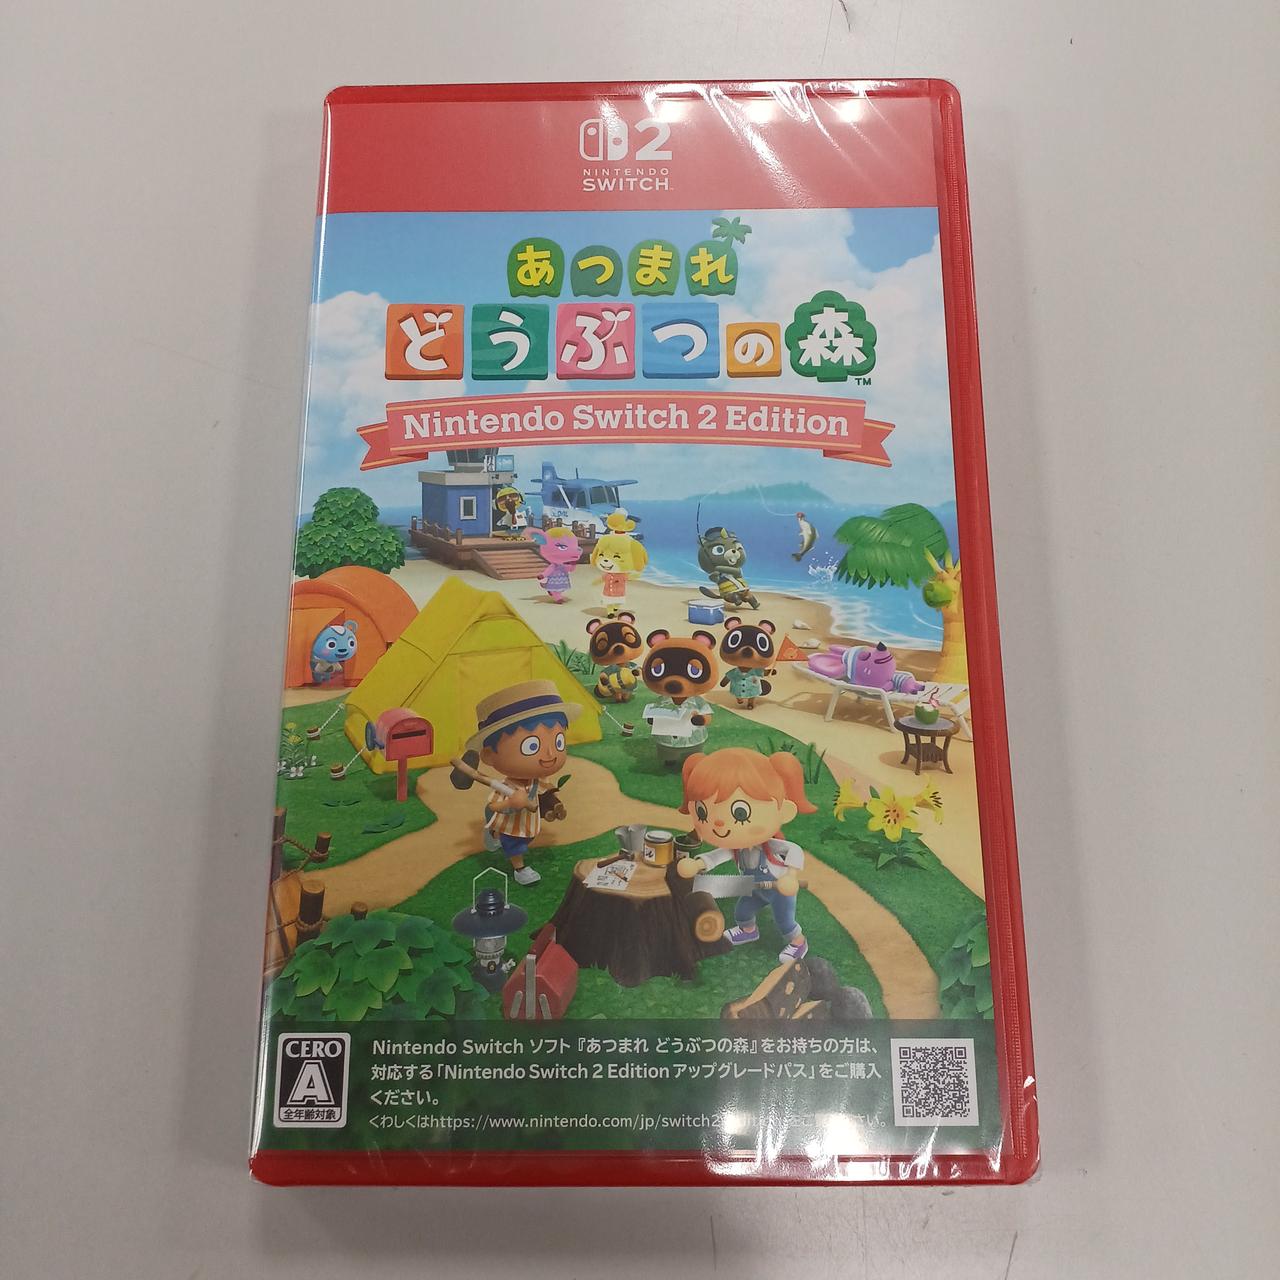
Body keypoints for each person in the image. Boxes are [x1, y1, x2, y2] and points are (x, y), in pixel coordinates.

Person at [676, 747, 817, 961]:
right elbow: (718, 856)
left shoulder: (770, 845)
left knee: (785, 922)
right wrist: (697, 864)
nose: (719, 823)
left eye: (740, 814)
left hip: (780, 890)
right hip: (755, 887)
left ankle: (798, 942)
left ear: (784, 812)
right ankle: (748, 930)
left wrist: (791, 875)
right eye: (703, 813)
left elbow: (794, 850)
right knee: (742, 911)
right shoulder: (737, 846)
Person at [468, 680, 579, 886]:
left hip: (529, 821)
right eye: (532, 746)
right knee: (515, 843)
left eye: (558, 742)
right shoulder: (508, 787)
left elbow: (543, 791)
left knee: (526, 838)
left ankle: (493, 832)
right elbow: (493, 806)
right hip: (512, 823)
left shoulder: (538, 779)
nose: (550, 755)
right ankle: (520, 869)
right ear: (489, 755)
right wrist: (510, 803)